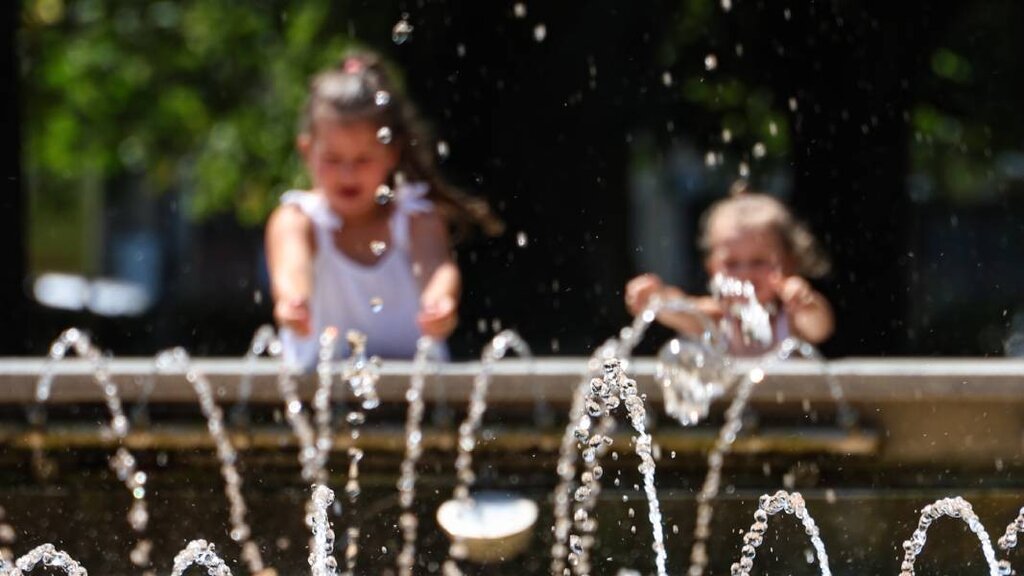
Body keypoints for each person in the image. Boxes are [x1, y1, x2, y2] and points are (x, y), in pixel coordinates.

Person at [265, 50, 501, 369]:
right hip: (316, 389)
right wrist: (294, 302)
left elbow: (436, 267)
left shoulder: (417, 217)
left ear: (391, 153)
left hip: (416, 389)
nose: (348, 175)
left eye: (363, 160)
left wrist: (440, 301)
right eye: (333, 160)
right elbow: (292, 269)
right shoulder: (297, 220)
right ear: (307, 151)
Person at [625, 181, 833, 355]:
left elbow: (820, 328)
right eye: (731, 264)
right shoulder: (717, 318)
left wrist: (806, 304)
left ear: (789, 263)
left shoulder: (790, 320)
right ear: (712, 268)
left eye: (759, 261)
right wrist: (657, 299)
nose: (745, 273)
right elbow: (683, 309)